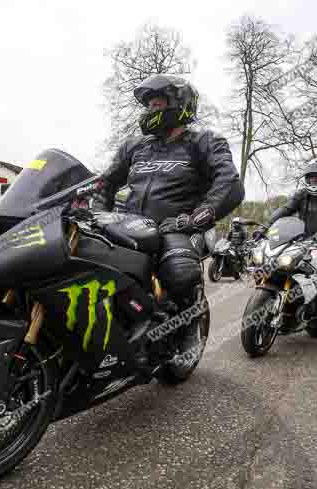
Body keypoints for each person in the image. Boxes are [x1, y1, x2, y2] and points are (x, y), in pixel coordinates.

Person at [92, 74, 244, 370]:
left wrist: (199, 216)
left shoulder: (204, 141)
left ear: (180, 104)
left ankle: (188, 331)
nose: (150, 110)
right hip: (132, 225)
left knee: (179, 273)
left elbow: (229, 182)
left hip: (181, 226)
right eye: (148, 105)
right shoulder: (135, 146)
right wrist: (100, 212)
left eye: (157, 103)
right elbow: (106, 183)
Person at [263, 160, 317, 354]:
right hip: (302, 242)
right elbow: (284, 210)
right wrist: (264, 226)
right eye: (312, 178)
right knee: (279, 269)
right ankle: (287, 314)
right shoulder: (302, 194)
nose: (315, 182)